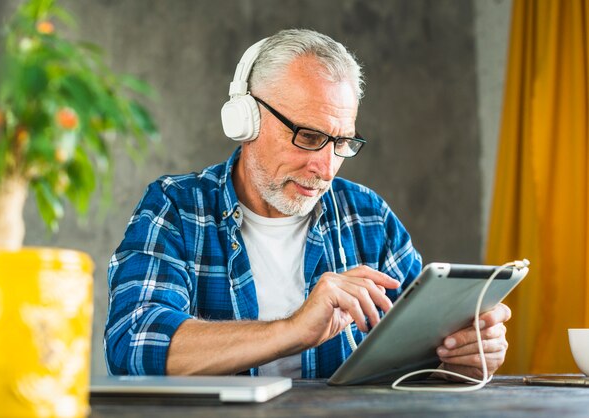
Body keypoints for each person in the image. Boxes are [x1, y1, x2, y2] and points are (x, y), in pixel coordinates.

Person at [104, 29, 511, 379]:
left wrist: (459, 356)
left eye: (341, 143)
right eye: (309, 137)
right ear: (245, 119)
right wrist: (294, 329)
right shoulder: (176, 207)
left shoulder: (368, 216)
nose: (325, 167)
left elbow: (418, 353)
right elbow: (134, 345)